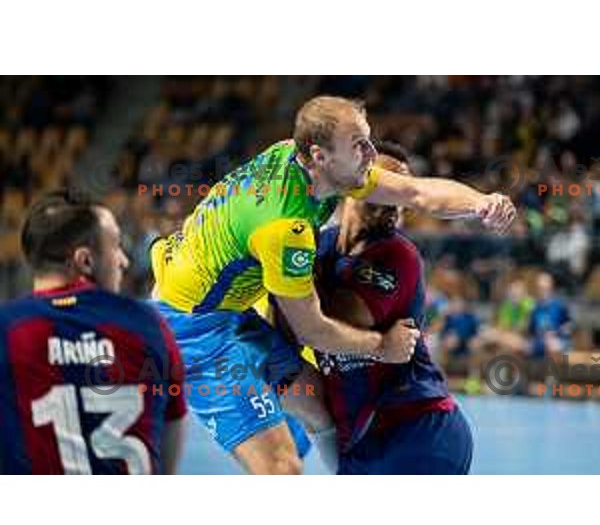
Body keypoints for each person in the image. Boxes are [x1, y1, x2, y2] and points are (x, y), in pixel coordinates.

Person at [150, 96, 515, 475]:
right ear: (319, 155)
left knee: (315, 403)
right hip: (195, 330)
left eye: (369, 139)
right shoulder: (284, 228)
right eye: (359, 144)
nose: (371, 153)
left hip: (219, 303)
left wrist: (481, 202)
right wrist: (381, 345)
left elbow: (415, 192)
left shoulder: (305, 161)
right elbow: (313, 329)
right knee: (282, 468)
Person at [311, 141, 473, 474]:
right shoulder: (321, 245)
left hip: (419, 429)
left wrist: (286, 273)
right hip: (360, 439)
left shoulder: (397, 254)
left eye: (403, 191)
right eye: (388, 184)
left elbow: (335, 319)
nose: (396, 199)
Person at [0, 190, 188, 474]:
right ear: (85, 260)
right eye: (115, 246)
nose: (124, 260)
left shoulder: (8, 330)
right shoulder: (147, 325)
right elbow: (171, 433)